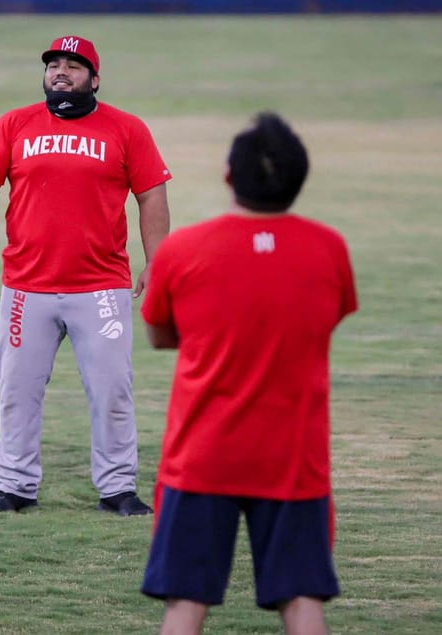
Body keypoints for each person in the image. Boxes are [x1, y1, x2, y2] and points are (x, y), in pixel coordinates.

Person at [140, 113, 356, 634]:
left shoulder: (182, 250)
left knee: (185, 604)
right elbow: (327, 320)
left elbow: (160, 335)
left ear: (227, 175)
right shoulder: (329, 249)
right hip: (292, 456)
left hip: (201, 455)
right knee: (303, 601)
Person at [0, 35, 171, 515]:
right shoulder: (15, 124)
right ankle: (14, 487)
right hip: (27, 287)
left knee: (112, 390)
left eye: (73, 65)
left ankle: (117, 489)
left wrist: (158, 261)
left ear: (95, 78)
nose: (61, 72)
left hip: (102, 287)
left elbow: (151, 195)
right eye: (54, 65)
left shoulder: (126, 129)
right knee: (17, 391)